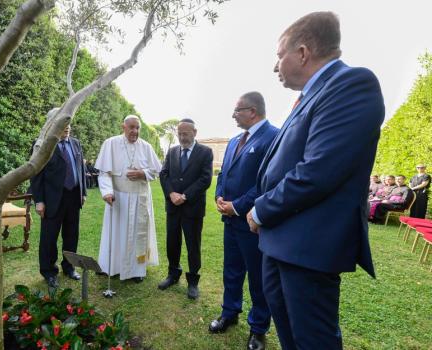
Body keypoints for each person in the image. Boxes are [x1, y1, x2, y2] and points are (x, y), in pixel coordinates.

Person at [246, 12, 385, 349]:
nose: (275, 66)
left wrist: (260, 210)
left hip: (308, 246)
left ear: (303, 52)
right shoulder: (310, 95)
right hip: (281, 242)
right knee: (291, 338)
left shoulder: (352, 84)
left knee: (312, 341)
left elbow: (317, 171)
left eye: (279, 55)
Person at [209, 92, 278, 350]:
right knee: (232, 271)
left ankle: (258, 328)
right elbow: (223, 173)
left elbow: (266, 182)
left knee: (258, 278)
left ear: (253, 110)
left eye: (237, 111)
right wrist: (219, 197)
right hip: (231, 223)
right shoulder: (235, 140)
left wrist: (237, 206)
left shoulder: (274, 137)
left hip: (253, 223)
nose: (233, 115)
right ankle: (229, 313)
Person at [95, 115, 162, 282]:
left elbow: (157, 171)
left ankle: (136, 270)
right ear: (123, 127)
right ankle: (111, 266)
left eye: (137, 128)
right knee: (116, 232)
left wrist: (142, 173)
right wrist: (107, 192)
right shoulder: (110, 144)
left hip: (140, 197)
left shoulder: (146, 147)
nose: (135, 131)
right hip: (118, 197)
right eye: (131, 127)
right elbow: (104, 172)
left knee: (137, 234)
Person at [158, 118, 213, 299]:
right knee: (172, 243)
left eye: (186, 133)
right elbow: (163, 174)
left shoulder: (205, 152)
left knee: (193, 246)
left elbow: (205, 179)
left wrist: (185, 195)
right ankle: (173, 274)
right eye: (180, 134)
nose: (182, 137)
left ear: (194, 133)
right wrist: (171, 194)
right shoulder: (172, 151)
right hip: (173, 207)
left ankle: (193, 282)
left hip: (193, 208)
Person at [30, 125, 87, 289]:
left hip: (74, 197)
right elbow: (35, 173)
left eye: (68, 125)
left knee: (71, 235)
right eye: (63, 124)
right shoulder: (42, 144)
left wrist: (83, 192)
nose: (67, 128)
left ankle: (69, 267)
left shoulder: (76, 143)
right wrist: (39, 200)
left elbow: (80, 168)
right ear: (54, 124)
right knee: (49, 238)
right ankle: (49, 272)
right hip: (51, 199)